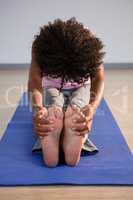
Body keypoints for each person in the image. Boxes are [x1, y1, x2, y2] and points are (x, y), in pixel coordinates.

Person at [28, 17, 105, 167]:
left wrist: (92, 108)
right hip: (54, 86)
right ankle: (68, 129)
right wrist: (37, 110)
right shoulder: (40, 47)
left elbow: (98, 79)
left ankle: (57, 122)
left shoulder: (88, 44)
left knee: (68, 112)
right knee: (71, 113)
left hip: (79, 85)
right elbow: (35, 83)